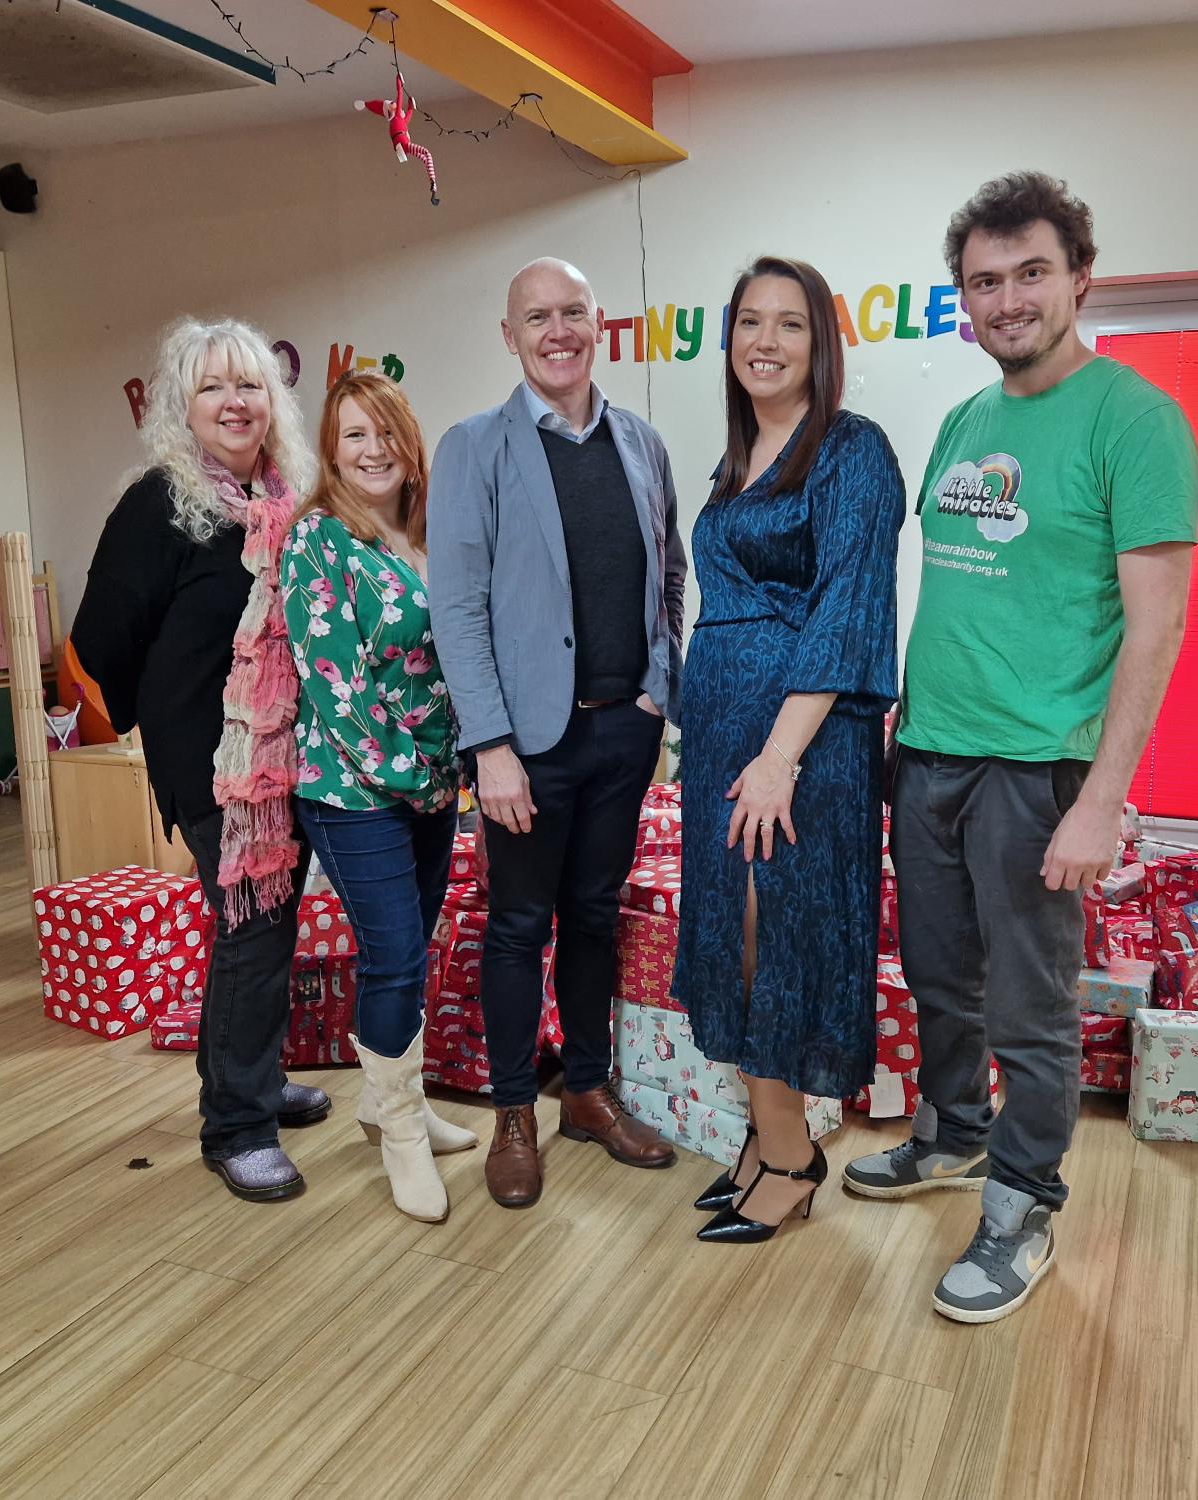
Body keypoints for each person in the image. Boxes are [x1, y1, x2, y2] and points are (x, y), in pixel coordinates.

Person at [844, 172, 1198, 1322]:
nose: (1006, 300)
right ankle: (948, 1135)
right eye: (983, 282)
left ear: (1078, 277)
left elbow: (1156, 630)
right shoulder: (964, 420)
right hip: (931, 752)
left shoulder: (1132, 420)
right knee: (941, 978)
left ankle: (1021, 1205)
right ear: (961, 299)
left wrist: (1101, 801)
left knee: (1028, 1004)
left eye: (1029, 273)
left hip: (1036, 769)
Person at [428, 257, 687, 1209]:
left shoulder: (642, 443)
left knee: (591, 919)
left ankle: (585, 1091)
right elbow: (455, 610)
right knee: (517, 926)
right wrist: (489, 746)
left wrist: (660, 694)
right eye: (537, 316)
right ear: (511, 336)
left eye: (573, 311)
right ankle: (512, 1115)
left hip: (624, 736)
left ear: (598, 321)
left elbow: (670, 580)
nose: (557, 330)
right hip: (525, 751)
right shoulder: (474, 448)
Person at [674, 257, 905, 1244]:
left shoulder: (851, 452)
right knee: (729, 932)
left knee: (775, 936)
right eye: (747, 323)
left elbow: (846, 608)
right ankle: (759, 1135)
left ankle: (793, 1154)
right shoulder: (734, 461)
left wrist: (779, 757)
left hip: (797, 746)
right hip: (723, 735)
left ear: (821, 342)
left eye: (789, 325)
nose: (764, 342)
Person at [75, 317, 329, 1203]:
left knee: (262, 925)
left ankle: (252, 1083)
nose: (235, 402)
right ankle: (236, 1128)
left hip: (286, 759)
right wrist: (174, 725)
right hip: (213, 764)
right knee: (252, 930)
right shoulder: (159, 502)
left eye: (251, 385)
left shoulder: (289, 499)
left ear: (274, 402)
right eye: (214, 386)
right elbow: (98, 640)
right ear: (182, 406)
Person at [282, 371, 474, 1223]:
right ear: (331, 451)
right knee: (394, 952)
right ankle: (397, 1133)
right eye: (354, 436)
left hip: (433, 785)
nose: (373, 450)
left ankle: (388, 1098)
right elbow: (337, 686)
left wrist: (455, 773)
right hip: (353, 789)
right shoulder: (318, 540)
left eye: (386, 432)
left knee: (412, 948)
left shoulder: (429, 534)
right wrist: (416, 774)